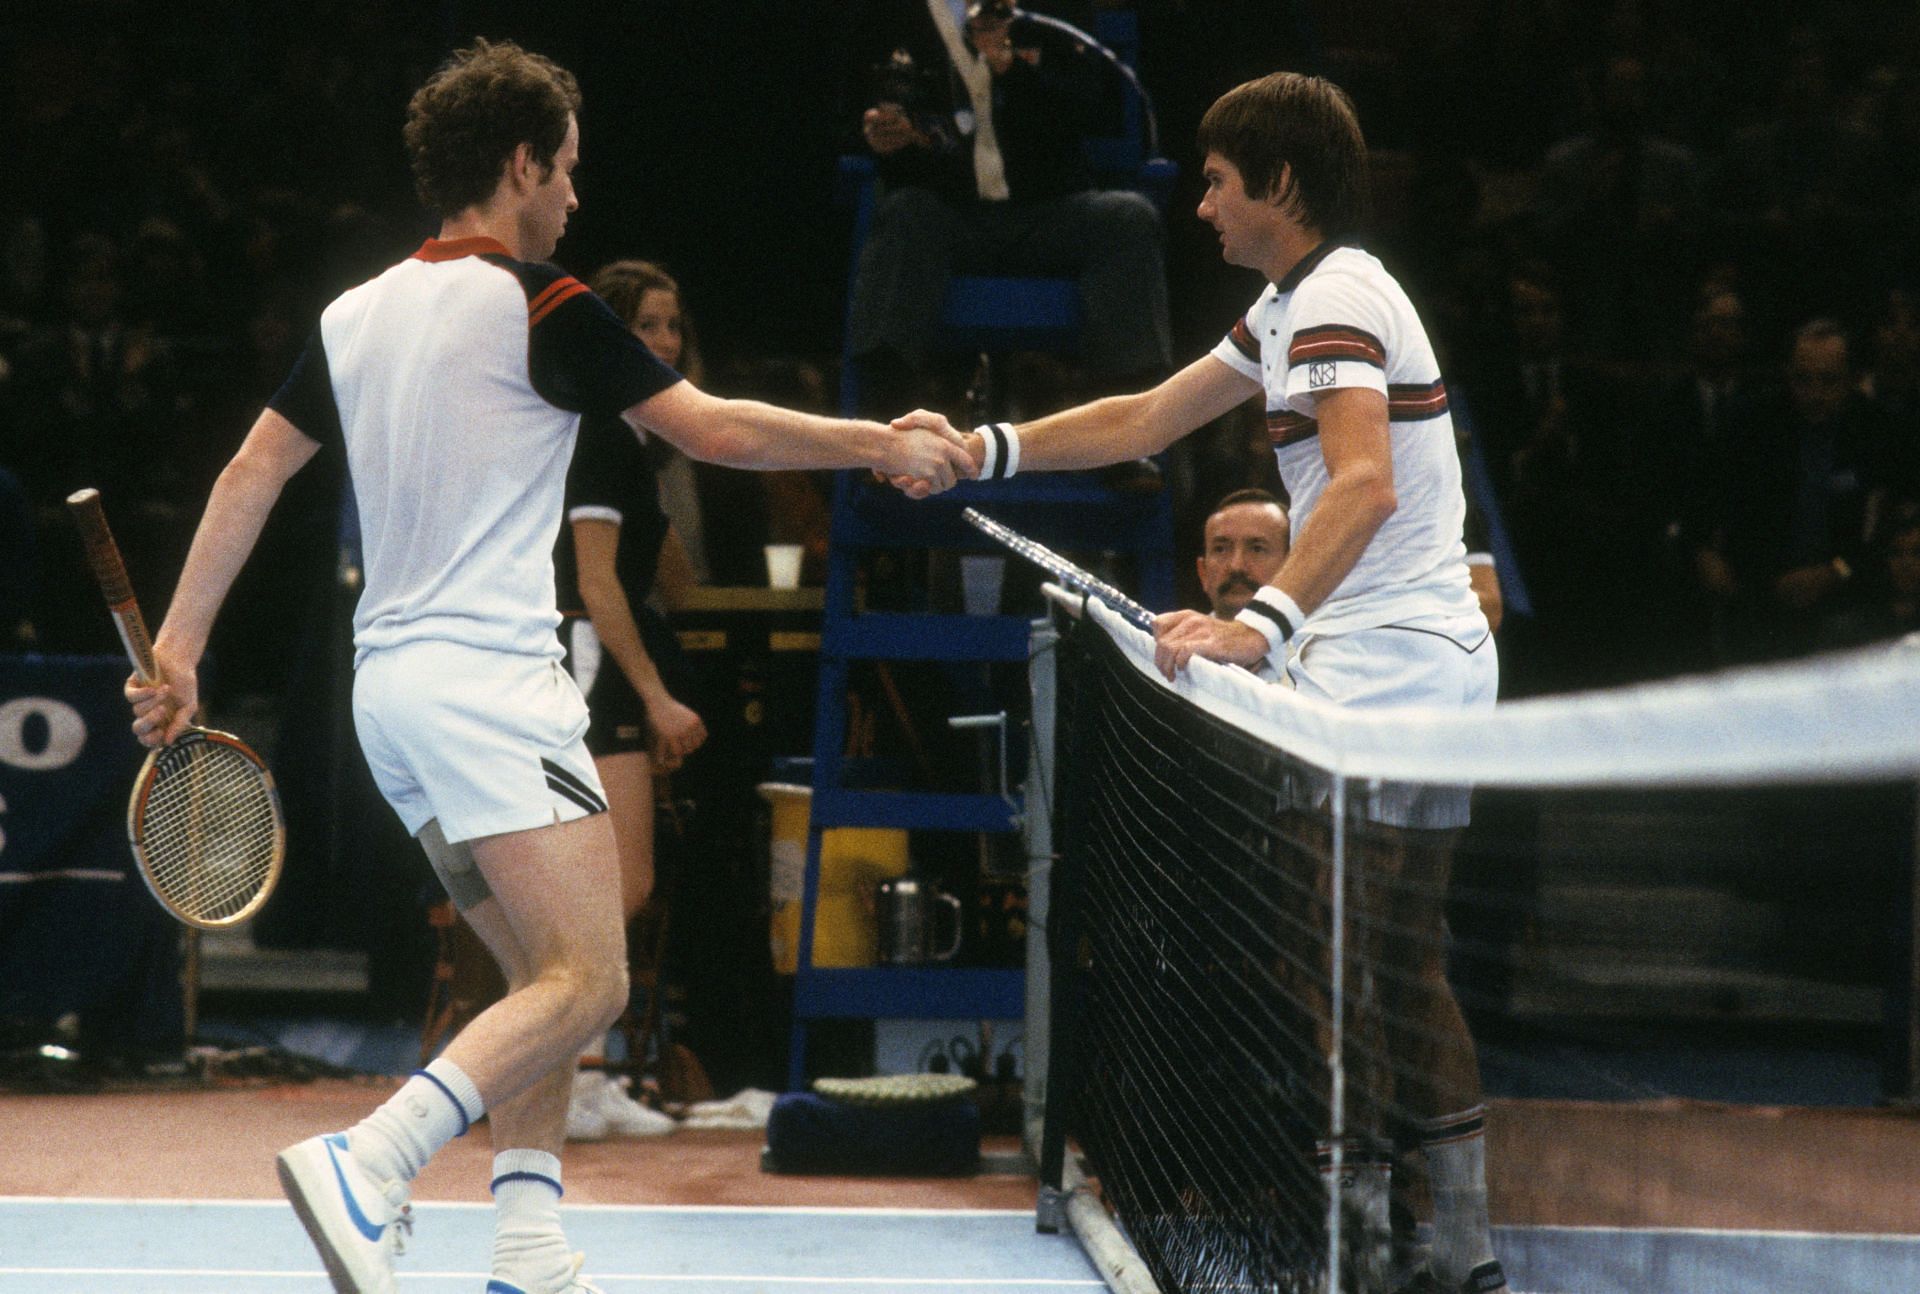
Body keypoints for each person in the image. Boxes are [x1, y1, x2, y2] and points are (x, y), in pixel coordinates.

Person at [121, 39, 971, 1294]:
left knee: (533, 976)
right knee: (592, 977)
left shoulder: (352, 315)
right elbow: (713, 426)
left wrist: (181, 647)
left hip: (392, 702)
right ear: (519, 163)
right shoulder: (539, 301)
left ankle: (527, 1246)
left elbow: (252, 474)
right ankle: (372, 1158)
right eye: (565, 171)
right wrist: (881, 441)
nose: (574, 199)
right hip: (490, 688)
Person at [896, 70, 1505, 1294]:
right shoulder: (1290, 306)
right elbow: (1147, 417)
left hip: (1392, 665)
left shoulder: (1335, 297)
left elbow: (1366, 484)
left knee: (1342, 951)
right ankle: (1450, 1237)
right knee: (1384, 955)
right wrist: (988, 450)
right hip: (1397, 658)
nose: (1204, 207)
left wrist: (1260, 623)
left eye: (1220, 183)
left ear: (1279, 183)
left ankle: (1373, 1228)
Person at [552, 259, 708, 1142]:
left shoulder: (631, 445)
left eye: (672, 327)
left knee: (619, 880)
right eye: (646, 327)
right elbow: (598, 583)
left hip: (594, 658)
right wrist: (654, 697)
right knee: (609, 881)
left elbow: (668, 580)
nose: (664, 343)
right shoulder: (603, 438)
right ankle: (573, 1071)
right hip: (583, 659)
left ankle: (581, 1067)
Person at [844, 0, 1172, 414]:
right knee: (904, 213)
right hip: (947, 213)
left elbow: (1088, 110)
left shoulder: (1053, 16)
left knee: (1128, 218)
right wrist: (878, 139)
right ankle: (884, 429)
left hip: (1048, 211)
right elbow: (847, 116)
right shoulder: (891, 16)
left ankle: (1125, 429)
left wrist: (1012, 70)